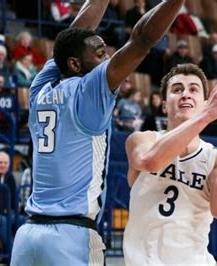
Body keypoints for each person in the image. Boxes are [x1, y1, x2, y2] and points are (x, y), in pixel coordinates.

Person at [11, 0, 185, 265]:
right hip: (71, 236)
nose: (108, 60)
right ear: (76, 65)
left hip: (28, 237)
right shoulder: (90, 91)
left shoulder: (40, 86)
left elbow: (71, 36)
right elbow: (142, 38)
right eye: (101, 54)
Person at [123, 64, 217, 265]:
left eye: (193, 89)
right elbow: (149, 161)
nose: (186, 94)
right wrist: (206, 115)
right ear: (164, 105)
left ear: (205, 102)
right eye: (177, 89)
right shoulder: (142, 139)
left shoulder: (215, 157)